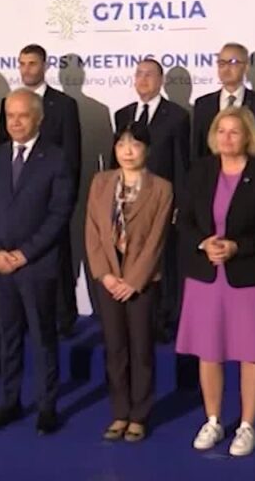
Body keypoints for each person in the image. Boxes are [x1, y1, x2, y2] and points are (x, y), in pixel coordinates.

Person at [176, 107, 255, 457]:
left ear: (248, 137)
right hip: (207, 275)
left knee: (249, 352)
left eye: (234, 132)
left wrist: (238, 247)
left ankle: (247, 425)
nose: (226, 138)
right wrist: (203, 243)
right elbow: (184, 219)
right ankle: (213, 420)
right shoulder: (201, 170)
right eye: (221, 131)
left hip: (247, 275)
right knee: (209, 351)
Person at [0, 89, 74, 435]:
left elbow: (59, 213)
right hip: (0, 265)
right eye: (10, 116)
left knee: (43, 338)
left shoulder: (56, 159)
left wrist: (25, 253)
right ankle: (9, 401)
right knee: (9, 336)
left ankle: (47, 406)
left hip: (37, 265)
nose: (15, 122)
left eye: (23, 115)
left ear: (39, 119)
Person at [85, 122, 173, 443]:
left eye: (135, 144)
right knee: (115, 348)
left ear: (146, 149)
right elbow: (92, 231)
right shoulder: (101, 182)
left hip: (142, 281)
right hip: (108, 279)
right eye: (121, 144)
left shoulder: (161, 188)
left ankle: (139, 415)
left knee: (141, 348)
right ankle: (119, 412)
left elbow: (156, 241)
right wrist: (106, 275)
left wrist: (134, 281)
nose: (127, 151)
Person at [0, 44, 81, 337]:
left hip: (52, 200)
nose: (26, 69)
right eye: (22, 63)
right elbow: (0, 155)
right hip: (16, 203)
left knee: (59, 260)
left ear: (45, 66)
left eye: (32, 63)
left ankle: (64, 317)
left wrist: (66, 201)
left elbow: (73, 157)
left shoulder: (64, 105)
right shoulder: (9, 103)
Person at [112, 58, 190, 342]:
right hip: (128, 202)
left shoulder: (177, 116)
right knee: (130, 258)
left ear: (161, 80)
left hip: (161, 202)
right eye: (139, 74)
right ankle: (135, 317)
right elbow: (115, 163)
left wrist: (179, 204)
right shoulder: (123, 115)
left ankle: (164, 319)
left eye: (149, 74)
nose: (143, 79)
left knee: (162, 261)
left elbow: (182, 164)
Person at [192, 42, 255, 160]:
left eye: (233, 62)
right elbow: (198, 151)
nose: (226, 69)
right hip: (211, 170)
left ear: (246, 67)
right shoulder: (203, 104)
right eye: (222, 63)